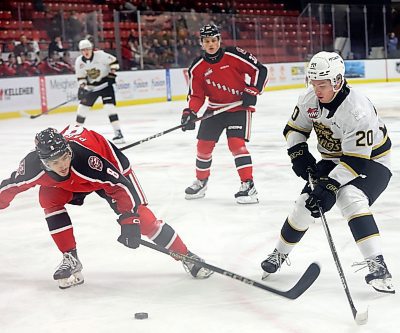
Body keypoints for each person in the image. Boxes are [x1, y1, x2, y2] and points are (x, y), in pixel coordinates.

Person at [0, 125, 213, 289]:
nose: (62, 165)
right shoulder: (30, 167)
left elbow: (121, 186)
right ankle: (70, 257)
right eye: (55, 162)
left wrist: (130, 220)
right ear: (43, 162)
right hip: (72, 182)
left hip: (110, 170)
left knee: (144, 220)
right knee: (48, 199)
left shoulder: (86, 160)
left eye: (64, 157)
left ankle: (187, 256)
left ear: (68, 150)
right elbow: (8, 188)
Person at [260, 51, 395, 294]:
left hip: (372, 161)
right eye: (313, 83)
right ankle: (279, 253)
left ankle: (379, 267)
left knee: (350, 198)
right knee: (305, 203)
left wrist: (329, 186)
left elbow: (356, 162)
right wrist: (298, 153)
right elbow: (294, 129)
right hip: (334, 159)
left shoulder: (357, 111)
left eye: (322, 84)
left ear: (338, 81)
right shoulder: (309, 99)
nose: (317, 89)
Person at [181, 24, 268, 204]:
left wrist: (252, 91)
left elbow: (260, 70)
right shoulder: (197, 67)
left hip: (238, 108)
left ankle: (248, 185)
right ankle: (201, 181)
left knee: (236, 144)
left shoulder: (234, 54)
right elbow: (197, 95)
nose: (211, 44)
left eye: (214, 40)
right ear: (202, 44)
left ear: (219, 41)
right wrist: (190, 112)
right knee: (203, 147)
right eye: (207, 41)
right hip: (214, 109)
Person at [75, 39, 126, 144]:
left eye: (88, 49)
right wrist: (82, 87)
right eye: (83, 50)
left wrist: (112, 75)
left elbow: (114, 62)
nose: (86, 52)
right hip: (91, 88)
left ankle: (118, 133)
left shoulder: (101, 55)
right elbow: (81, 77)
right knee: (82, 109)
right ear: (81, 51)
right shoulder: (79, 61)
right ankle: (75, 133)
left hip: (105, 86)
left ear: (91, 49)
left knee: (109, 108)